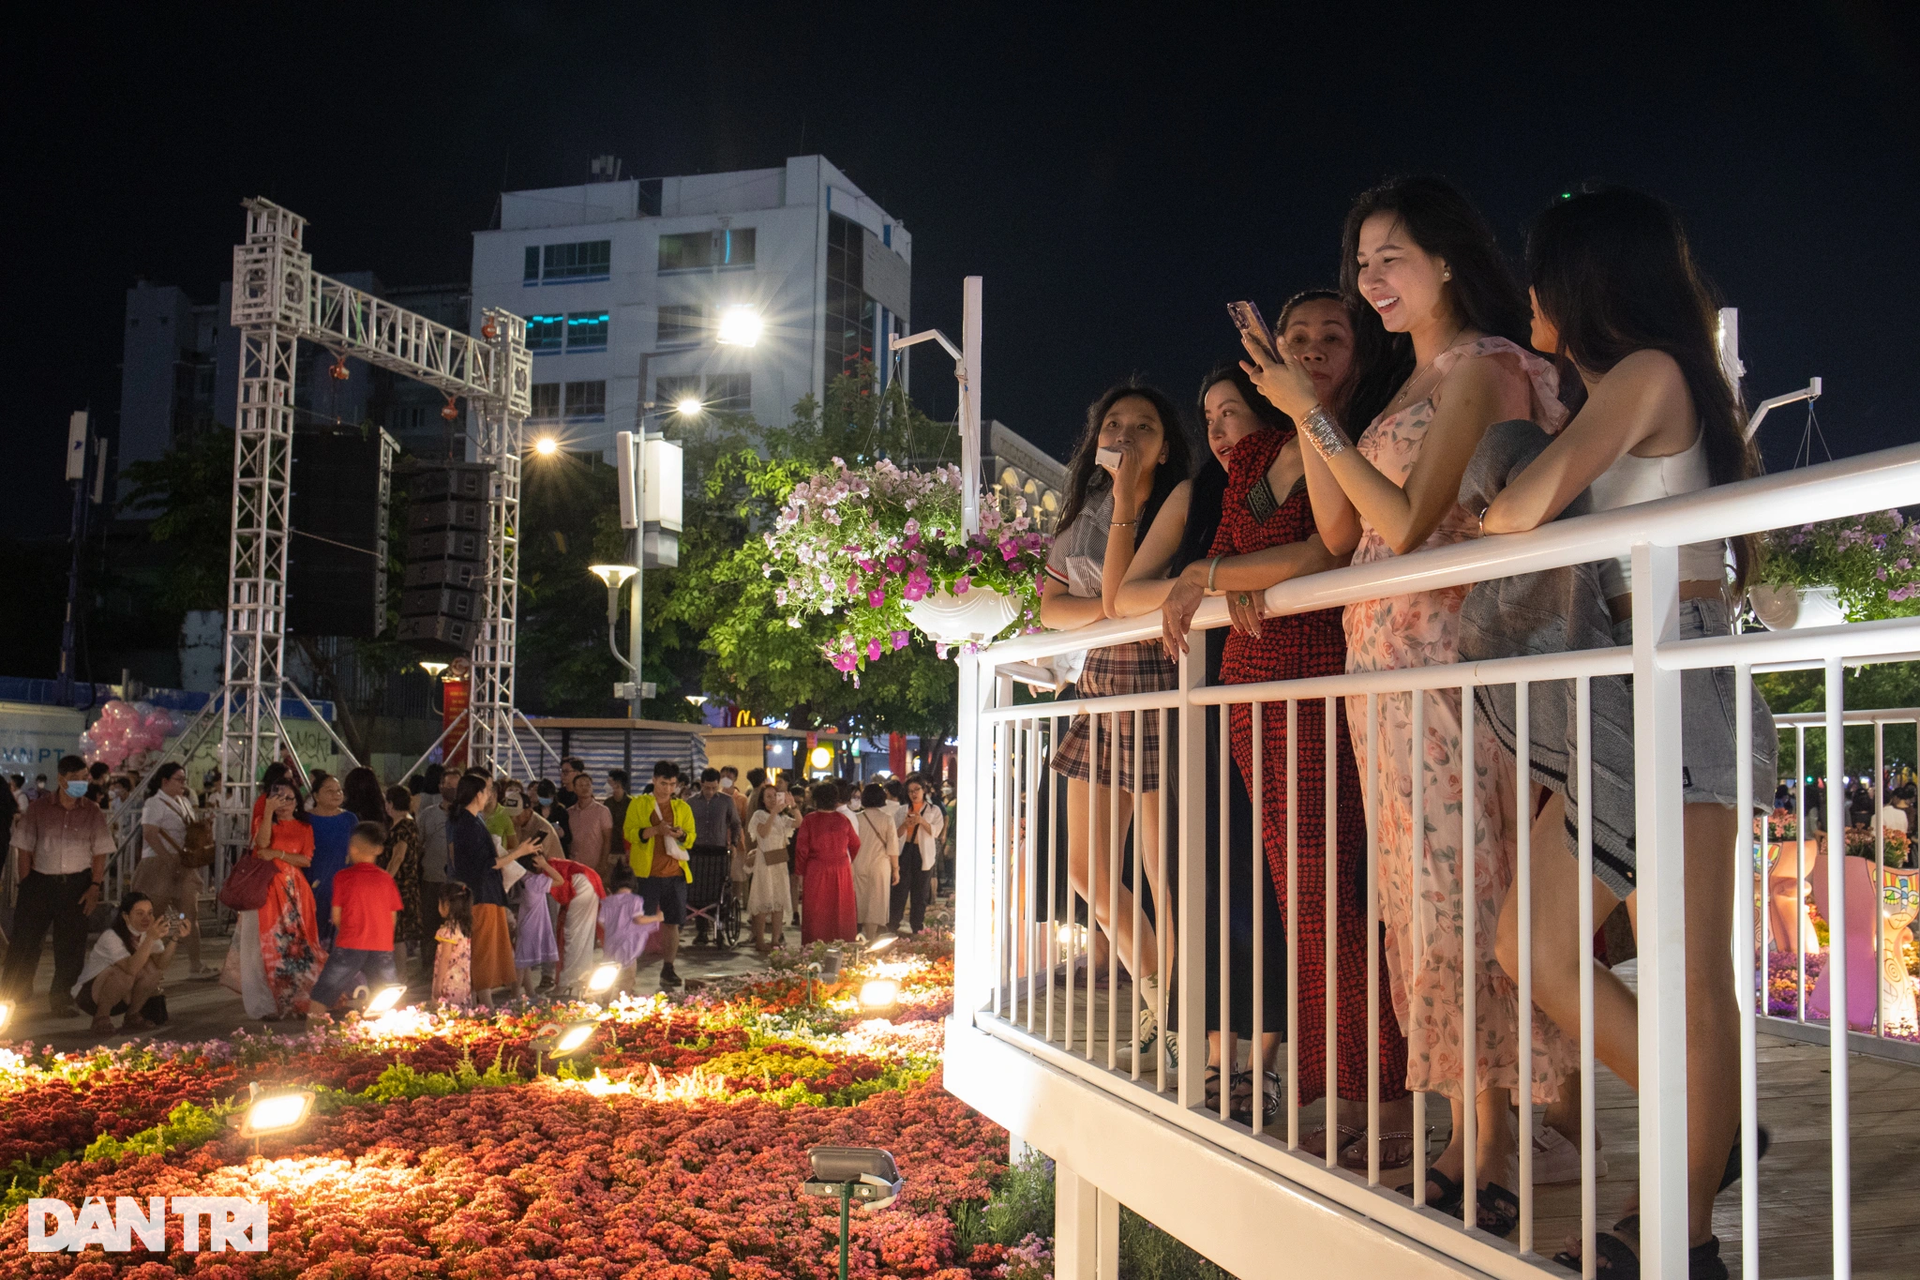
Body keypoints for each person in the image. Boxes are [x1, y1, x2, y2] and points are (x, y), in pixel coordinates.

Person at [1241, 176, 1572, 1232]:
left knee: (1466, 889)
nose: (1371, 279)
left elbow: (1415, 523)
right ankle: (1464, 1129)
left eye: (1390, 258)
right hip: (1382, 675)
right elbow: (1344, 535)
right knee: (1419, 900)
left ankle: (1497, 1144)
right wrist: (1318, 413)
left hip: (1452, 664)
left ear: (1444, 262)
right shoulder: (1403, 387)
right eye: (1362, 262)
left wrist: (1317, 426)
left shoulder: (1481, 366)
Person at [1476, 185, 1776, 1268]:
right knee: (1562, 949)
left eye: (1542, 271)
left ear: (1587, 280)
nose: (1528, 295)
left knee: (1668, 969)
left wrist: (1496, 486)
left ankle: (1684, 1226)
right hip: (1646, 672)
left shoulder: (1647, 375)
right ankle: (1699, 1163)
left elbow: (1525, 503)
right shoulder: (1644, 382)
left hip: (1676, 668)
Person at [1040, 381, 1192, 1060]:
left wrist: (1109, 606)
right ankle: (1165, 996)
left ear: (1166, 446)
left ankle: (1188, 1014)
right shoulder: (1079, 511)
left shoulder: (1179, 504)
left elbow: (1135, 600)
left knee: (1168, 876)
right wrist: (1113, 609)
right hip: (1102, 687)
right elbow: (1050, 609)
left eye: (1145, 428)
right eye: (1115, 424)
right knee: (1086, 870)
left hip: (1159, 683)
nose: (1126, 437)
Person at [2, 755, 116, 1015]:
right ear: (61, 779)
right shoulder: (39, 809)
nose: (81, 784)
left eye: (84, 778)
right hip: (40, 881)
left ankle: (61, 997)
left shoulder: (92, 811)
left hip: (77, 884)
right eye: (76, 779)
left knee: (72, 944)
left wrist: (95, 886)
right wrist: (27, 883)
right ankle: (14, 992)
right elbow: (24, 848)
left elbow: (99, 852)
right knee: (25, 940)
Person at [237, 780, 326, 1020]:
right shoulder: (263, 822)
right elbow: (262, 844)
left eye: (289, 798)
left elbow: (305, 859)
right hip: (267, 888)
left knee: (298, 945)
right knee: (269, 946)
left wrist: (278, 854)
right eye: (279, 798)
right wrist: (267, 812)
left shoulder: (304, 827)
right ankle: (269, 1004)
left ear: (297, 802)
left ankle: (299, 1001)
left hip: (295, 889)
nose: (284, 803)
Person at [306, 822, 403, 1020]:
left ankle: (312, 1030)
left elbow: (336, 916)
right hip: (381, 944)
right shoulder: (386, 879)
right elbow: (393, 917)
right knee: (386, 992)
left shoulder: (343, 877)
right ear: (378, 849)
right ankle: (382, 1032)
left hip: (350, 941)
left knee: (325, 990)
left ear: (352, 847)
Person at [130, 761, 214, 979]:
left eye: (184, 780)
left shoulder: (184, 802)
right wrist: (168, 860)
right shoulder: (154, 803)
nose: (183, 784)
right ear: (164, 781)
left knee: (189, 914)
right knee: (152, 916)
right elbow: (150, 834)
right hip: (158, 864)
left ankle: (195, 965)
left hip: (182, 865)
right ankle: (141, 965)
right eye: (179, 779)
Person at [622, 760, 696, 988]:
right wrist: (656, 830)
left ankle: (668, 967)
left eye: (672, 784)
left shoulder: (682, 808)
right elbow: (629, 832)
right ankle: (627, 969)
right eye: (663, 783)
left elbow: (692, 838)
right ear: (654, 780)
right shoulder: (638, 804)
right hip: (646, 873)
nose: (667, 789)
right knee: (636, 922)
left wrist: (681, 834)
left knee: (672, 923)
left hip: (675, 873)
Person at [74, 891, 185, 1033]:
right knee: (125, 974)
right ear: (126, 917)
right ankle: (101, 1017)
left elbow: (161, 964)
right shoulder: (111, 936)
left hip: (121, 995)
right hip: (90, 995)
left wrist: (175, 938)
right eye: (140, 913)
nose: (146, 918)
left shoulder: (147, 933)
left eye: (149, 913)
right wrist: (150, 939)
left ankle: (132, 1015)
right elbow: (130, 968)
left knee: (154, 971)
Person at [448, 773, 516, 1003]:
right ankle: (485, 1005)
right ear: (478, 795)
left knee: (485, 948)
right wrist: (520, 852)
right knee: (483, 950)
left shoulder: (472, 820)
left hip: (485, 892)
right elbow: (486, 864)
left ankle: (479, 1002)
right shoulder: (469, 824)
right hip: (481, 893)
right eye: (486, 791)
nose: (489, 795)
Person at [794, 780, 860, 944]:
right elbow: (855, 844)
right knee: (840, 908)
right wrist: (845, 860)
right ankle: (842, 945)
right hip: (841, 867)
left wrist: (800, 873)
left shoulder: (809, 820)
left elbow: (802, 849)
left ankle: (814, 946)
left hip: (816, 869)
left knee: (816, 910)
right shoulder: (843, 820)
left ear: (816, 800)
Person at [687, 767, 743, 945]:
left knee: (718, 889)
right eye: (707, 788)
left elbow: (736, 824)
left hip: (718, 851)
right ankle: (702, 930)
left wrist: (733, 844)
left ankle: (719, 928)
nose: (710, 791)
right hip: (696, 850)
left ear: (717, 785)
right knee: (697, 889)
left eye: (713, 788)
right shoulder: (691, 802)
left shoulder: (726, 801)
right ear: (701, 784)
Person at [304, 774, 358, 950]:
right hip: (311, 882)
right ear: (316, 796)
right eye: (329, 791)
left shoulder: (350, 819)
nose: (336, 794)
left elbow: (357, 851)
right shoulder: (306, 820)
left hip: (343, 884)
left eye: (339, 790)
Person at [415, 770, 457, 980]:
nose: (453, 791)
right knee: (430, 924)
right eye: (449, 786)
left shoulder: (467, 816)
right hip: (432, 878)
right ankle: (427, 968)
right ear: (440, 787)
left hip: (457, 882)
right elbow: (418, 845)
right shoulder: (427, 815)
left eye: (457, 787)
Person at [598, 866, 665, 995]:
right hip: (628, 945)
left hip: (611, 943)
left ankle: (605, 999)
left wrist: (612, 931)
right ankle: (624, 999)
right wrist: (656, 918)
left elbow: (601, 921)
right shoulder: (635, 900)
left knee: (608, 974)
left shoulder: (607, 901)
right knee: (628, 977)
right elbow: (638, 919)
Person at [746, 783, 797, 950]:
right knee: (762, 899)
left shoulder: (783, 818)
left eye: (775, 796)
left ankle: (775, 939)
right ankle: (760, 940)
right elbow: (763, 833)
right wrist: (774, 813)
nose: (772, 799)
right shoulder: (759, 815)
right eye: (768, 796)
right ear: (762, 799)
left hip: (779, 861)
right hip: (764, 862)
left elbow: (799, 823)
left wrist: (793, 805)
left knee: (778, 901)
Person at [547, 851, 606, 996]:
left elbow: (559, 882)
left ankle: (568, 982)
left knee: (571, 935)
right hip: (587, 883)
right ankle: (579, 980)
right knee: (581, 935)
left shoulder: (543, 867)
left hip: (583, 886)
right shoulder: (547, 865)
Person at [892, 776, 944, 935]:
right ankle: (893, 925)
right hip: (905, 851)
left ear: (924, 790)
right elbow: (894, 834)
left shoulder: (933, 810)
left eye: (917, 790)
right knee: (899, 892)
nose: (914, 794)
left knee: (920, 893)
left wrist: (921, 821)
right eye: (910, 791)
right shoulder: (901, 810)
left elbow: (936, 831)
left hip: (923, 854)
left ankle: (917, 927)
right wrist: (905, 824)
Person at [511, 845, 565, 996]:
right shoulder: (536, 881)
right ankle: (515, 997)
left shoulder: (524, 877)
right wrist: (545, 865)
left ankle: (530, 993)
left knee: (524, 962)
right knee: (521, 964)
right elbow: (560, 880)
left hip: (526, 925)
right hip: (534, 926)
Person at [852, 782, 901, 940]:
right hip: (880, 865)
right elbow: (893, 847)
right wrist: (896, 869)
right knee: (876, 901)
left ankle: (858, 935)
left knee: (860, 899)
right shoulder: (887, 819)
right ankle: (871, 937)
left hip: (858, 863)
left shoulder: (856, 818)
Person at [379, 785, 420, 955]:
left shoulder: (402, 828)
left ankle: (399, 977)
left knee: (397, 935)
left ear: (390, 804)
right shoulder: (408, 824)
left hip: (399, 886)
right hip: (406, 884)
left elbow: (397, 858)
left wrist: (384, 881)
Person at [432, 881, 474, 1007]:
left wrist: (438, 983)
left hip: (448, 981)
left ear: (447, 905)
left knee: (446, 1012)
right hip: (462, 981)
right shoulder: (463, 927)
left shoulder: (447, 931)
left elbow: (445, 958)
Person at [566, 771, 613, 879]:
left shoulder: (602, 811)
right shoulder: (569, 813)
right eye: (581, 785)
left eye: (588, 785)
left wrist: (603, 863)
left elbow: (607, 839)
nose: (585, 788)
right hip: (574, 865)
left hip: (595, 865)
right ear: (574, 788)